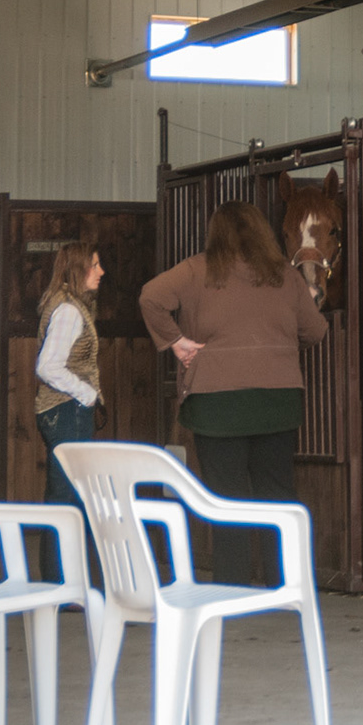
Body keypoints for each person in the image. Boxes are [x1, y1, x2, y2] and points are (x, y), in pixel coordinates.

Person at [140, 201, 328, 586]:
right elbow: (316, 331)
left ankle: (233, 583)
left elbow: (150, 297)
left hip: (217, 401)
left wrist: (176, 341)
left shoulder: (195, 270)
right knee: (278, 492)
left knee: (225, 497)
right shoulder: (285, 276)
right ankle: (286, 583)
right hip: (277, 400)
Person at [32, 242, 104, 578]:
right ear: (77, 270)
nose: (101, 272)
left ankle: (58, 581)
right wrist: (86, 393)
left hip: (60, 411)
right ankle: (63, 583)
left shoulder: (67, 304)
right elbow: (48, 366)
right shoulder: (69, 311)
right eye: (94, 265)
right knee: (69, 497)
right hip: (66, 410)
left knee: (64, 495)